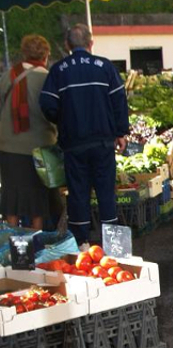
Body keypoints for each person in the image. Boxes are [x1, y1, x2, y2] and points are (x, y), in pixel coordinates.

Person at [39, 24, 128, 249]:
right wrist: (120, 132)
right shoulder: (105, 67)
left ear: (68, 45)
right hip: (103, 142)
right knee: (106, 191)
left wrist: (63, 119)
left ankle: (81, 244)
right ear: (91, 43)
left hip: (74, 144)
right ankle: (114, 246)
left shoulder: (58, 70)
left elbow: (47, 103)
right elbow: (119, 101)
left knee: (78, 193)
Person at [0, 35, 59, 231]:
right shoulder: (50, 78)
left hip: (9, 146)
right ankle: (36, 241)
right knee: (37, 198)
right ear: (46, 55)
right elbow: (56, 112)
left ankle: (12, 242)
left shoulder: (9, 75)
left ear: (24, 53)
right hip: (41, 147)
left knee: (12, 195)